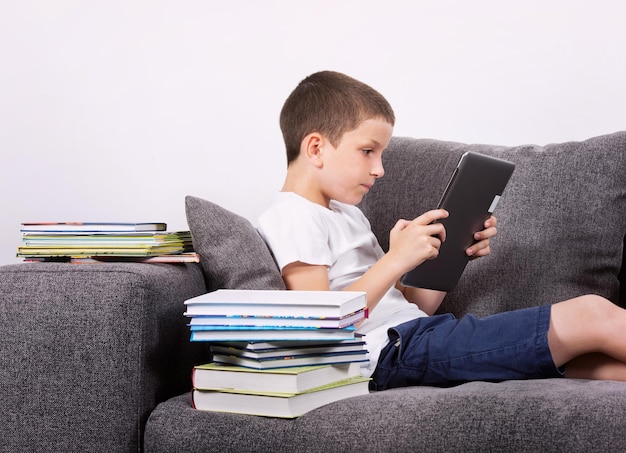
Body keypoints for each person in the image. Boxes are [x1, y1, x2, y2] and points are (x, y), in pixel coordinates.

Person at [257, 70, 626, 390]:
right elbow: (320, 328)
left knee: (593, 364)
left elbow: (412, 308)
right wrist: (395, 260)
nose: (379, 169)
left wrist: (442, 256)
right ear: (316, 148)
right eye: (368, 151)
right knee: (590, 313)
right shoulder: (293, 215)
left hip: (414, 337)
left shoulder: (345, 213)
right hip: (389, 354)